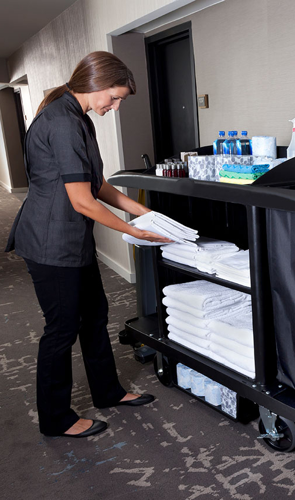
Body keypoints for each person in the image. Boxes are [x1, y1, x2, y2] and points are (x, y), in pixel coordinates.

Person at [5, 51, 171, 438]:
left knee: (95, 314)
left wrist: (140, 212)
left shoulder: (78, 118)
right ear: (95, 84)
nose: (113, 107)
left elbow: (95, 184)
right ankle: (56, 418)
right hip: (50, 243)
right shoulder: (61, 122)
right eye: (113, 98)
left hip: (71, 238)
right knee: (61, 329)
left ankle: (107, 391)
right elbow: (82, 201)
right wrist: (133, 231)